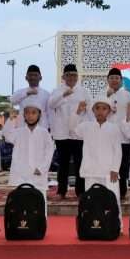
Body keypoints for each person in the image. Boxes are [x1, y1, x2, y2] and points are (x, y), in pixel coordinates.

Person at [69, 95, 125, 224]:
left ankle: (117, 225)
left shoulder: (114, 128)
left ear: (109, 111)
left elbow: (118, 151)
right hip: (91, 171)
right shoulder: (86, 126)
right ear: (93, 110)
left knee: (113, 198)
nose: (100, 111)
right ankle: (92, 225)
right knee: (92, 199)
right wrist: (77, 112)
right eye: (98, 108)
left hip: (109, 172)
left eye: (104, 108)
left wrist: (115, 169)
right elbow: (72, 130)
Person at [48, 64, 92, 198]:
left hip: (78, 134)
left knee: (80, 163)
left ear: (77, 77)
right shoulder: (57, 91)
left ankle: (80, 191)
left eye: (74, 75)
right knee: (63, 164)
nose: (71, 78)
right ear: (63, 77)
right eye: (68, 75)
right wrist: (63, 95)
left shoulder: (84, 91)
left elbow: (90, 110)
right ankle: (61, 191)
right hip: (62, 134)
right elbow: (51, 104)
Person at [3, 101, 54, 212]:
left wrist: (42, 168)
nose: (30, 116)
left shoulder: (44, 132)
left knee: (39, 204)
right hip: (21, 173)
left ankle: (40, 227)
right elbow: (7, 135)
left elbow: (50, 151)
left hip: (38, 173)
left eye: (33, 113)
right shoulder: (18, 132)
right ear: (24, 115)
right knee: (21, 204)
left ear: (39, 115)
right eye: (27, 113)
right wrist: (11, 119)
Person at [106, 67, 130, 199]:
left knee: (123, 166)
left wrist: (129, 128)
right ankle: (109, 191)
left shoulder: (127, 95)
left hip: (124, 136)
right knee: (108, 165)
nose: (114, 80)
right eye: (111, 78)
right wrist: (108, 97)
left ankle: (122, 191)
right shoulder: (103, 94)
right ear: (108, 80)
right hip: (108, 137)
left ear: (121, 80)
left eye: (117, 78)